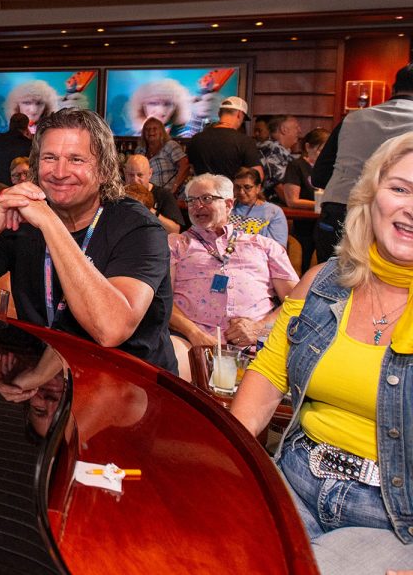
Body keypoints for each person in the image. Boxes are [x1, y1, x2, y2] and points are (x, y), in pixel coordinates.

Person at [230, 132, 413, 574]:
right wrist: (223, 470)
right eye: (401, 188)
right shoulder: (324, 281)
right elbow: (267, 379)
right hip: (294, 480)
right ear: (371, 194)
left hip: (394, 520)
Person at [0, 109, 177, 373]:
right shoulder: (22, 221)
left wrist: (50, 223)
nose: (59, 172)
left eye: (76, 159)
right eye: (50, 158)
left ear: (105, 170)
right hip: (44, 375)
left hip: (131, 380)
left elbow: (110, 330)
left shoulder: (139, 228)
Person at [169, 174, 297, 369]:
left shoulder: (264, 246)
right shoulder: (175, 244)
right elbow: (162, 301)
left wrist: (259, 328)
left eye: (206, 198)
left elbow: (297, 301)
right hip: (189, 341)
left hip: (257, 343)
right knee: (175, 357)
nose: (197, 206)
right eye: (191, 200)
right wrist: (194, 334)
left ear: (228, 204)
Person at [313, 64, 413, 264]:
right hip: (396, 220)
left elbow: (319, 176)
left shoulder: (352, 119)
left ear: (394, 88)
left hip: (339, 209)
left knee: (330, 275)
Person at [279, 127, 330, 272]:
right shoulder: (297, 166)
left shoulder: (328, 168)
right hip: (303, 225)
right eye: (320, 151)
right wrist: (320, 203)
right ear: (308, 147)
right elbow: (292, 200)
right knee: (303, 262)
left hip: (322, 222)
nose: (323, 156)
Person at [184, 96, 264, 181]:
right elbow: (258, 175)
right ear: (240, 115)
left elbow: (189, 167)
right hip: (230, 189)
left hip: (201, 189)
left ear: (219, 113)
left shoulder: (196, 139)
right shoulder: (245, 141)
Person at [122, 154, 182, 234]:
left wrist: (149, 210)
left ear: (150, 173)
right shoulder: (118, 195)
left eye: (140, 175)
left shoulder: (164, 195)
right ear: (125, 173)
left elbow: (175, 230)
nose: (135, 180)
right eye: (131, 175)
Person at [230, 167, 288, 248]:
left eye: (247, 187)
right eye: (237, 187)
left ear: (258, 188)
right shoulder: (226, 207)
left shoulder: (273, 212)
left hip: (257, 254)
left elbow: (278, 248)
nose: (241, 192)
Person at [135, 116, 189, 194]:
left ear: (161, 131)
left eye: (154, 129)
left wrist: (175, 187)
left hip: (168, 194)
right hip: (146, 194)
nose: (151, 132)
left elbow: (185, 165)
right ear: (143, 133)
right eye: (147, 129)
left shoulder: (170, 145)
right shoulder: (140, 150)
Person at [124, 78, 191, 137]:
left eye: (167, 104)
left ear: (176, 107)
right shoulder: (133, 135)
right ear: (142, 106)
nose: (160, 110)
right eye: (153, 103)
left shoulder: (186, 134)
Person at [258, 114, 301, 201]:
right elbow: (278, 187)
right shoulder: (272, 150)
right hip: (273, 206)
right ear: (284, 129)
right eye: (296, 127)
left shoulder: (280, 150)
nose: (300, 131)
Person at [0, 112, 33, 186]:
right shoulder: (27, 144)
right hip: (10, 186)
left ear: (10, 125)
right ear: (26, 127)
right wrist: (31, 140)